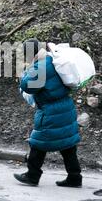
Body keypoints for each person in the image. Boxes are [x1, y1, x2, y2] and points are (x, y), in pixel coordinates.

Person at [14, 38, 82, 188]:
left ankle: (32, 175)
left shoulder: (41, 66)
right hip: (65, 107)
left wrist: (24, 73)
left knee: (38, 142)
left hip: (51, 110)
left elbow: (28, 86)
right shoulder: (52, 59)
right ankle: (74, 177)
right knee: (67, 144)